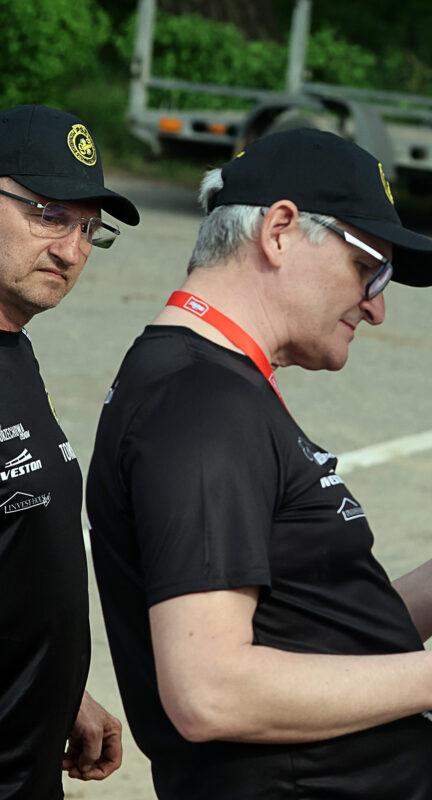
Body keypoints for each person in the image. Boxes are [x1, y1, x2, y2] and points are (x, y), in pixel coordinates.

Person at [85, 129, 432, 799]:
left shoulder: (213, 385)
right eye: (370, 267)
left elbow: (304, 633)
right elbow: (209, 693)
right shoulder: (201, 407)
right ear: (281, 230)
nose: (377, 305)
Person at [0, 104, 138, 798]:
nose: (72, 250)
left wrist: (60, 693)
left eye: (89, 228)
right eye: (48, 214)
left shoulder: (13, 347)